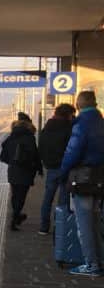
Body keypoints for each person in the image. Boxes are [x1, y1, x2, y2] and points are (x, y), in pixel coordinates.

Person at [59, 91, 104, 276]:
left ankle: (91, 265)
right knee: (95, 222)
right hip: (100, 179)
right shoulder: (101, 122)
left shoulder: (81, 125)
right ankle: (99, 261)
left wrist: (63, 173)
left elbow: (72, 153)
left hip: (83, 179)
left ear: (78, 105)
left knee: (84, 223)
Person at [37, 103, 76, 235]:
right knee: (63, 200)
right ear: (68, 115)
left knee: (47, 198)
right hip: (65, 168)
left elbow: (40, 147)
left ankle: (43, 227)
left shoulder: (46, 129)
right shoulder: (69, 129)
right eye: (72, 115)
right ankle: (59, 228)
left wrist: (45, 163)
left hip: (51, 168)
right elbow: (72, 149)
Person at [0, 112, 41, 231]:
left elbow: (4, 147)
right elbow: (34, 154)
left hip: (13, 170)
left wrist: (11, 160)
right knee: (21, 196)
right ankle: (16, 217)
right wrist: (38, 168)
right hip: (25, 170)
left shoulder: (12, 135)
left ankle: (16, 215)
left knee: (15, 194)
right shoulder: (29, 137)